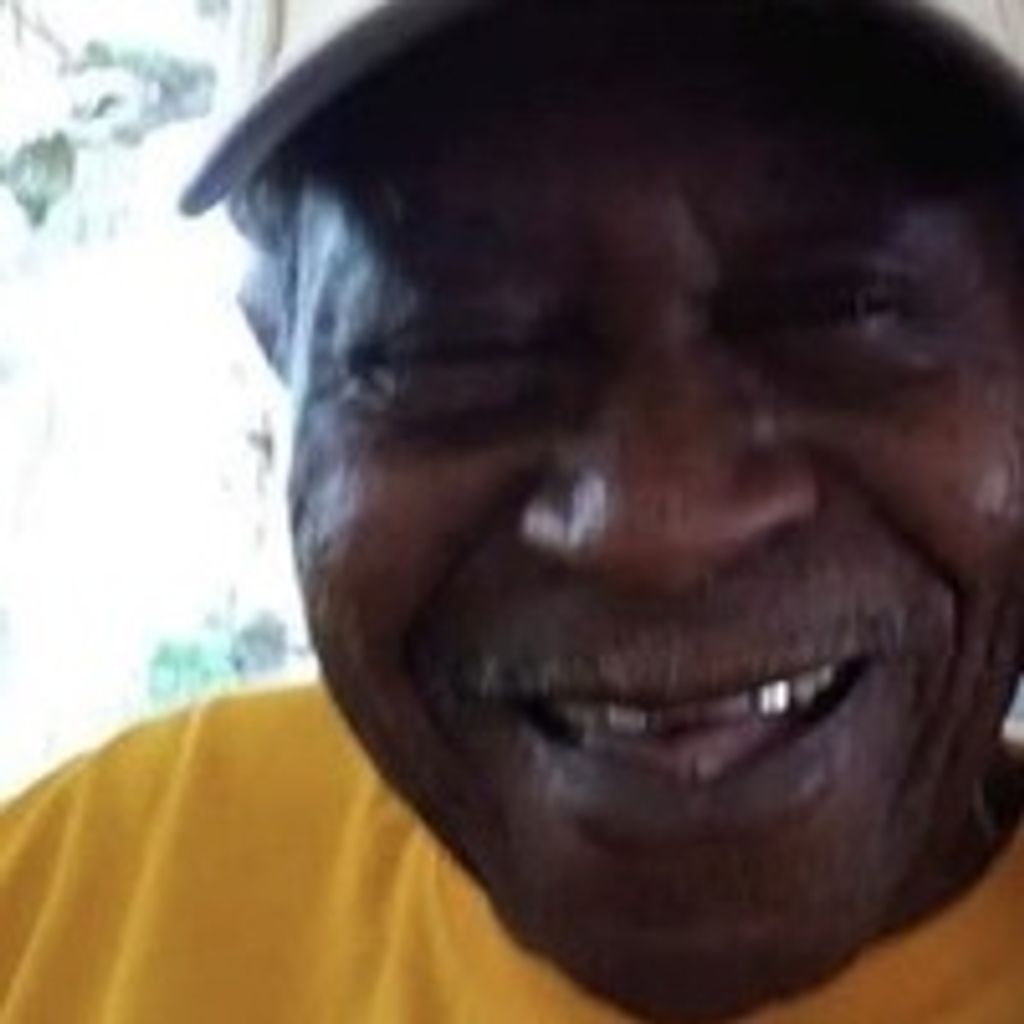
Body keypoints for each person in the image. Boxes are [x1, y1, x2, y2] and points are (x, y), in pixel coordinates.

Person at [4, 0, 1024, 1020]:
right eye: (457, 347)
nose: (654, 529)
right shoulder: (70, 906)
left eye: (846, 310)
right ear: (282, 351)